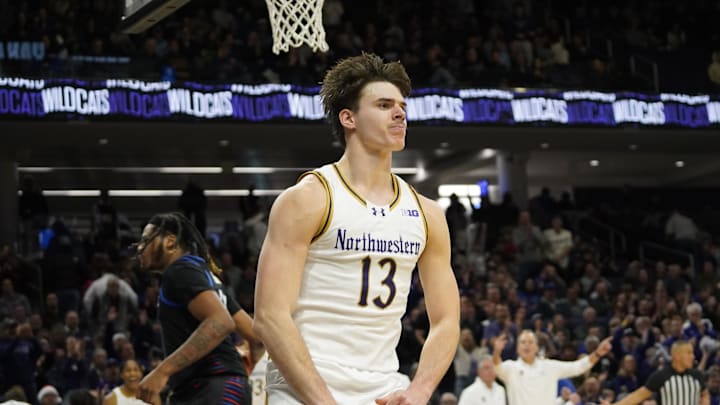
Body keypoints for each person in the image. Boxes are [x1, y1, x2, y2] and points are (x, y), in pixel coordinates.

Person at [253, 52, 460, 404]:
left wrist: (420, 390)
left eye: (401, 105)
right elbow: (269, 317)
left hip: (383, 388)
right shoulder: (308, 199)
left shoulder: (427, 214)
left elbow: (446, 320)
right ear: (348, 118)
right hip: (305, 388)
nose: (399, 113)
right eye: (383, 104)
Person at [135, 212, 261, 405]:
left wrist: (162, 371)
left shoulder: (179, 271)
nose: (140, 248)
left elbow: (221, 322)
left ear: (170, 241)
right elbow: (256, 335)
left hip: (212, 387)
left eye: (146, 240)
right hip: (222, 386)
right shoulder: (205, 275)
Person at [493, 330, 612, 405]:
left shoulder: (550, 366)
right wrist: (497, 352)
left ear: (536, 347)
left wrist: (597, 354)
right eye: (523, 342)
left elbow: (578, 367)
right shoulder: (510, 368)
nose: (527, 345)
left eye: (530, 342)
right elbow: (497, 367)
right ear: (517, 348)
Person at [602, 340, 709, 405]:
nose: (693, 357)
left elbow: (704, 395)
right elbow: (639, 395)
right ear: (677, 356)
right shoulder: (661, 376)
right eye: (689, 353)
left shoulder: (697, 375)